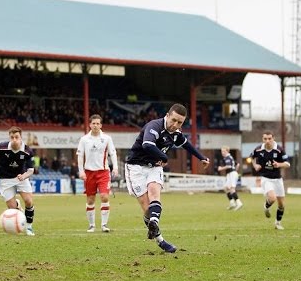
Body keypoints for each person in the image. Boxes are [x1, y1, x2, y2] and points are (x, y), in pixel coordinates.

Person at [125, 103, 210, 252]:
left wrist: (201, 157)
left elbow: (186, 144)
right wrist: (164, 157)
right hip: (136, 167)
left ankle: (156, 229)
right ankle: (159, 238)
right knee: (147, 209)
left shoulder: (176, 133)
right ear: (167, 115)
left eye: (180, 123)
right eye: (174, 120)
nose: (175, 125)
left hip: (154, 167)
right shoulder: (154, 126)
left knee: (154, 193)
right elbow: (147, 145)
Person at [0, 126, 36, 236]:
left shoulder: (27, 151)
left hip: (21, 178)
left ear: (21, 137)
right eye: (12, 137)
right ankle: (17, 205)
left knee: (29, 201)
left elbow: (31, 170)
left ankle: (29, 227)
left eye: (17, 137)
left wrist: (24, 176)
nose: (14, 139)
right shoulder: (1, 147)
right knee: (12, 208)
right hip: (5, 180)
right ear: (9, 137)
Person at [76, 114, 118, 233]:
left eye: (97, 123)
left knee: (104, 196)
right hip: (89, 173)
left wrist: (115, 167)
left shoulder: (106, 138)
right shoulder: (84, 139)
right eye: (93, 123)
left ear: (101, 125)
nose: (95, 125)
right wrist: (81, 171)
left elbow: (113, 153)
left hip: (103, 172)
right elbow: (80, 155)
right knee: (90, 200)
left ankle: (104, 225)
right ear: (89, 125)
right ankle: (92, 225)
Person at [250, 130, 290, 230]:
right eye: (265, 139)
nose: (267, 141)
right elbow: (252, 157)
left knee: (281, 205)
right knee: (272, 198)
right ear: (262, 139)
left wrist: (279, 164)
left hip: (277, 179)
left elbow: (288, 164)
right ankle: (266, 206)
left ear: (273, 138)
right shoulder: (258, 149)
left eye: (269, 138)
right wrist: (255, 165)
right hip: (266, 178)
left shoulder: (279, 150)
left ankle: (278, 223)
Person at [218, 145, 243, 210]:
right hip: (231, 174)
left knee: (232, 189)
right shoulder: (230, 157)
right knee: (226, 188)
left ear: (227, 151)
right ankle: (232, 203)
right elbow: (237, 164)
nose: (222, 152)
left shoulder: (227, 157)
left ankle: (239, 203)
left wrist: (221, 168)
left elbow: (229, 166)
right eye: (221, 151)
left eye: (223, 151)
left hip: (232, 174)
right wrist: (235, 170)